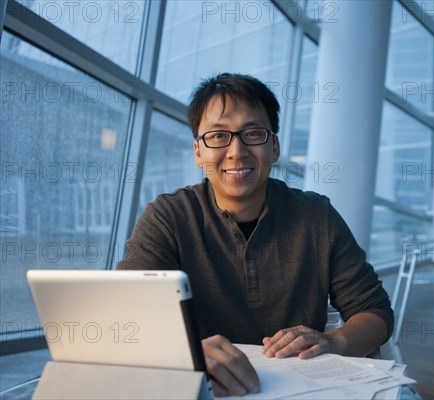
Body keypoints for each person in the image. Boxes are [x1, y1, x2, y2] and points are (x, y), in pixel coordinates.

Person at [117, 73, 393, 397]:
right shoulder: (168, 217)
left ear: (274, 146)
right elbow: (126, 316)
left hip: (300, 390)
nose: (237, 151)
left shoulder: (317, 217)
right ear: (197, 152)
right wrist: (182, 352)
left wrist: (333, 341)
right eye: (219, 135)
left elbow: (375, 312)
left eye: (253, 133)